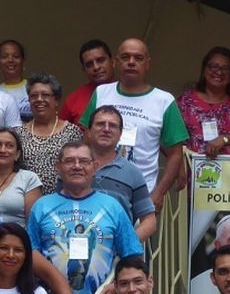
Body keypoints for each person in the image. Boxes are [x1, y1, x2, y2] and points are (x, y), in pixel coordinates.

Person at [28, 139, 143, 294]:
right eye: (69, 161)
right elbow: (30, 253)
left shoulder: (112, 206)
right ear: (58, 167)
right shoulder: (42, 206)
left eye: (83, 161)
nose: (77, 166)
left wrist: (116, 285)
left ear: (95, 167)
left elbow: (132, 255)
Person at [79, 37, 188, 208]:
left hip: (140, 195)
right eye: (125, 57)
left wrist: (158, 194)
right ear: (115, 62)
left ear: (147, 64)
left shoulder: (164, 101)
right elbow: (87, 138)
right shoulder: (101, 93)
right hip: (96, 189)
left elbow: (175, 153)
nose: (131, 62)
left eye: (138, 58)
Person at [86, 106, 160, 243]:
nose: (106, 129)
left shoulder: (132, 173)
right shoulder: (73, 166)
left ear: (120, 134)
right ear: (89, 131)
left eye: (112, 126)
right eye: (100, 124)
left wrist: (127, 245)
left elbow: (149, 220)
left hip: (116, 256)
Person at [179, 46, 230, 156]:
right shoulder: (186, 101)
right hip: (194, 171)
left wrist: (225, 139)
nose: (219, 72)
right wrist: (180, 169)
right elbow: (169, 139)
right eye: (213, 66)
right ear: (204, 70)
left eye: (225, 68)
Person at [16, 73, 84, 194]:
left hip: (63, 201)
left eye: (45, 95)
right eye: (34, 96)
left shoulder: (72, 132)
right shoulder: (18, 134)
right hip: (27, 201)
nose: (39, 99)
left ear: (56, 100)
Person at [0, 127, 42, 226]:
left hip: (17, 238)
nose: (3, 150)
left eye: (9, 146)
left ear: (17, 154)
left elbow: (33, 223)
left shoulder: (29, 179)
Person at [59, 39, 111, 125]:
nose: (96, 67)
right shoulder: (73, 100)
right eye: (89, 64)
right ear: (84, 70)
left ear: (113, 62)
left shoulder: (128, 91)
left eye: (100, 60)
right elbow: (60, 133)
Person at [0, 38, 31, 119]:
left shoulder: (34, 88)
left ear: (23, 61)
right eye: (4, 56)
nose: (10, 60)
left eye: (16, 56)